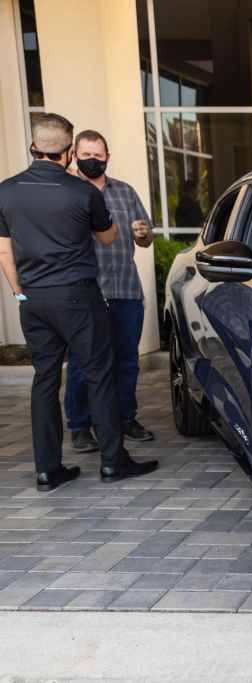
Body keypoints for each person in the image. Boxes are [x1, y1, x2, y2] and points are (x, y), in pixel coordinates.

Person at [0, 113, 158, 491]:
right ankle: (111, 462)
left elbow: (4, 253)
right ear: (69, 152)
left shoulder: (5, 191)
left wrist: (20, 292)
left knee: (45, 379)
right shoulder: (83, 192)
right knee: (100, 374)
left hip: (33, 300)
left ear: (34, 147)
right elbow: (106, 239)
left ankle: (48, 470)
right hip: (78, 295)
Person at [64, 130, 157, 451]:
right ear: (74, 155)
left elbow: (146, 238)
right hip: (86, 294)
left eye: (98, 155)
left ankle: (125, 418)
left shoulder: (125, 193)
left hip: (125, 289)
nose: (92, 160)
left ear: (107, 157)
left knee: (126, 361)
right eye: (86, 154)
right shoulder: (68, 193)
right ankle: (79, 426)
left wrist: (143, 233)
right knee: (81, 362)